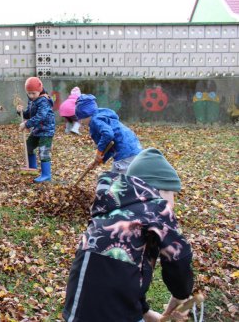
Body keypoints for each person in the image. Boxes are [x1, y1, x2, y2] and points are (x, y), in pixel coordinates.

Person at [63, 148, 194, 322]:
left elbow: (123, 270)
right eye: (172, 194)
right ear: (159, 190)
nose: (173, 202)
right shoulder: (157, 208)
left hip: (77, 307)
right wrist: (181, 293)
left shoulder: (108, 208)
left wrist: (144, 311)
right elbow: (178, 258)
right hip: (117, 314)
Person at [75, 94, 142, 174]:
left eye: (81, 118)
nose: (81, 122)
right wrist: (98, 161)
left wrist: (99, 152)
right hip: (135, 149)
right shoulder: (101, 115)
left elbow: (108, 134)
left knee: (115, 182)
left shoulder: (95, 120)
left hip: (125, 154)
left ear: (86, 115)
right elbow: (109, 146)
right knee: (130, 179)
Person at [16, 77, 56, 183]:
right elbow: (29, 115)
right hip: (37, 129)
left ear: (39, 90)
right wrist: (20, 112)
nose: (31, 96)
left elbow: (40, 116)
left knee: (44, 151)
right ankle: (32, 168)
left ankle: (46, 175)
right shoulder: (32, 100)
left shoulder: (44, 100)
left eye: (33, 93)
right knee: (29, 146)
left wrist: (26, 124)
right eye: (29, 93)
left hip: (46, 130)